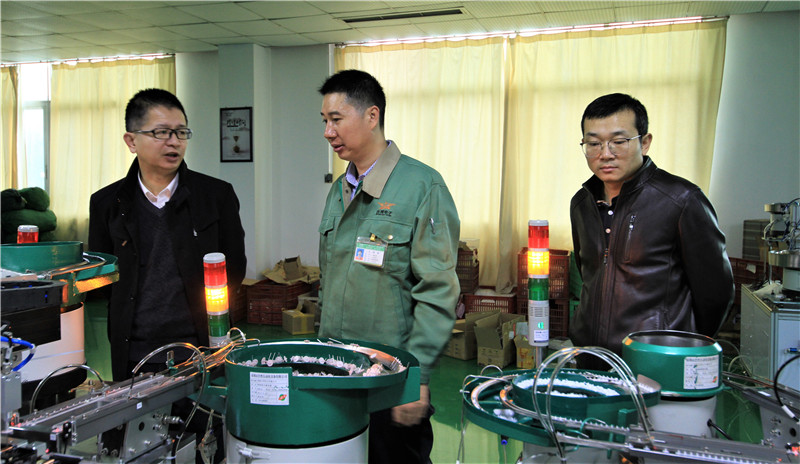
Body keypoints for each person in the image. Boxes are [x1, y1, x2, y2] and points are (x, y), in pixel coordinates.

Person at [317, 69, 460, 464]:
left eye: (336, 119)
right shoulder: (339, 189)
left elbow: (438, 292)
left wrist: (418, 376)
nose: (328, 132)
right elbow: (329, 280)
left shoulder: (422, 186)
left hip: (390, 377)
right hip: (336, 371)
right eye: (324, 121)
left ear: (372, 116)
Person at [89, 88, 247, 380]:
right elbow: (102, 281)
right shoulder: (107, 203)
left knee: (204, 410)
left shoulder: (215, 196)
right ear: (131, 141)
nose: (174, 142)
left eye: (181, 132)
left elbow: (235, 268)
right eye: (161, 132)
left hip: (202, 348)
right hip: (135, 351)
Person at [569, 93, 734, 368]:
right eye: (593, 143)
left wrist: (683, 347)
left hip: (657, 360)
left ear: (644, 142)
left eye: (619, 141)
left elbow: (716, 293)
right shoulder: (581, 204)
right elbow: (588, 274)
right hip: (592, 357)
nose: (605, 154)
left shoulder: (681, 199)